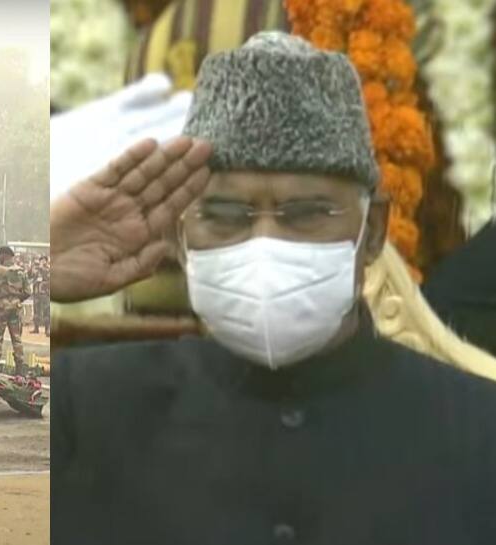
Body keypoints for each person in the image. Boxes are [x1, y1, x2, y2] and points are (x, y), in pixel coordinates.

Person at [51, 32, 496, 544]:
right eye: (224, 215)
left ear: (371, 231)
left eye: (306, 214)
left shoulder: (478, 430)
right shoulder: (77, 408)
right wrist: (34, 270)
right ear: (180, 232)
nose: (265, 243)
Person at [0, 246, 30, 376]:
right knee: (17, 339)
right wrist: (17, 299)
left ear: (3, 256)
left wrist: (1, 297)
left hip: (1, 308)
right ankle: (19, 370)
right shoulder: (20, 271)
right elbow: (28, 292)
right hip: (16, 308)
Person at [31, 255, 50, 336]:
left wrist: (42, 268)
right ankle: (36, 327)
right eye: (41, 260)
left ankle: (47, 329)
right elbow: (31, 276)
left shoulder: (48, 269)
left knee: (47, 311)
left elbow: (48, 279)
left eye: (44, 260)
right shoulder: (37, 270)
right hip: (37, 293)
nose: (42, 262)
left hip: (45, 293)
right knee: (36, 311)